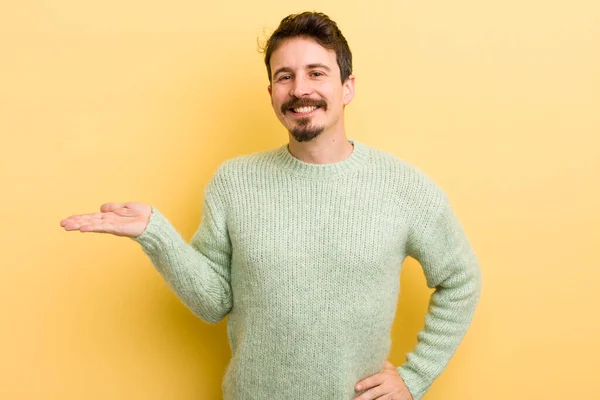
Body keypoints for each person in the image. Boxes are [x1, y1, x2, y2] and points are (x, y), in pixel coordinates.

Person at [60, 11, 482, 400]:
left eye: (316, 73)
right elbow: (213, 304)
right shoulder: (234, 182)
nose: (300, 89)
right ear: (271, 92)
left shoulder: (403, 186)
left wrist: (414, 377)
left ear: (347, 87)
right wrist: (156, 233)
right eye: (285, 76)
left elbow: (461, 278)